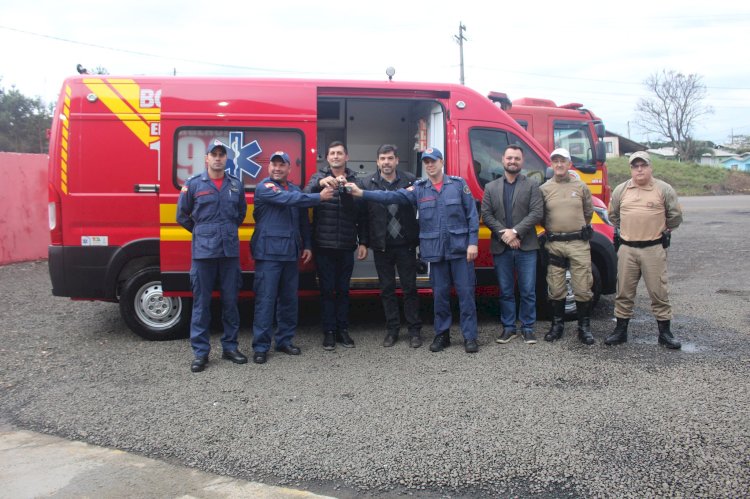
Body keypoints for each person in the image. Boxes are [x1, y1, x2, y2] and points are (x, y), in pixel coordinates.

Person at [347, 147, 480, 354]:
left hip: (460, 250)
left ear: (441, 162)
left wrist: (473, 242)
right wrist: (362, 192)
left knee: (466, 295)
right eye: (426, 162)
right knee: (440, 296)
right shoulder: (419, 188)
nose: (430, 165)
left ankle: (470, 337)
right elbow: (390, 197)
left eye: (433, 161)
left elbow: (472, 215)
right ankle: (442, 335)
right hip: (436, 252)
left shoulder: (458, 185)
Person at [250, 151, 335, 364]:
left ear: (289, 169)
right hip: (268, 254)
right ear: (269, 168)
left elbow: (303, 222)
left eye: (282, 165)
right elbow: (289, 199)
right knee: (265, 302)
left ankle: (284, 341)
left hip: (290, 254)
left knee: (289, 301)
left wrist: (307, 245)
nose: (277, 168)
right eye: (274, 165)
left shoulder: (296, 189)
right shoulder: (265, 188)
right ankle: (261, 346)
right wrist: (319, 197)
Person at [177, 139, 248, 373]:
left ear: (226, 159)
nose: (218, 158)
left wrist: (223, 231)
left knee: (230, 302)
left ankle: (230, 347)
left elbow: (240, 214)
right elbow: (182, 215)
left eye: (222, 154)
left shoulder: (235, 185)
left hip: (229, 253)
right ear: (206, 158)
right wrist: (201, 232)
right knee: (201, 304)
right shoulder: (194, 184)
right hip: (203, 254)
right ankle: (200, 353)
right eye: (214, 154)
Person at [605, 151, 683, 349]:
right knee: (623, 291)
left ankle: (665, 334)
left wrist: (661, 229)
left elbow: (674, 216)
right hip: (627, 249)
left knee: (659, 292)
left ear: (650, 167)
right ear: (631, 168)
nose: (639, 169)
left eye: (643, 165)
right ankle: (620, 331)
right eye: (635, 166)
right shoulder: (621, 190)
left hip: (653, 248)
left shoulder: (663, 189)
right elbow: (613, 216)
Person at [303, 141, 368, 351]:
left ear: (346, 157)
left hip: (347, 245)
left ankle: (343, 330)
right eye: (332, 153)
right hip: (323, 245)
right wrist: (322, 182)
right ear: (327, 158)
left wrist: (363, 242)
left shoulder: (355, 180)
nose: (336, 156)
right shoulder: (319, 176)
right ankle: (329, 332)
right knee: (326, 291)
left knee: (343, 291)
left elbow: (361, 213)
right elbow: (305, 195)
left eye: (340, 153)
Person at [480, 144, 543, 345]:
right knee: (505, 290)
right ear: (503, 160)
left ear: (521, 162)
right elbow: (487, 215)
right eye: (509, 158)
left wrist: (514, 232)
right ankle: (508, 328)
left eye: (516, 158)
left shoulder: (532, 185)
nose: (512, 161)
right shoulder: (491, 187)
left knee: (527, 290)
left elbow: (536, 213)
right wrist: (504, 235)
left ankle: (528, 328)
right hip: (501, 247)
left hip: (526, 246)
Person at [361, 144, 422, 348]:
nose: (386, 162)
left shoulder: (411, 180)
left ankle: (414, 331)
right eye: (382, 158)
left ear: (397, 160)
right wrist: (363, 242)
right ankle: (392, 330)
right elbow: (363, 217)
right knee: (386, 289)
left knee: (410, 289)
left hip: (406, 245)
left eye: (390, 158)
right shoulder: (367, 183)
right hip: (382, 246)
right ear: (377, 162)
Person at [539, 148, 595, 345]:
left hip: (578, 243)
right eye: (555, 161)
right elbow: (541, 215)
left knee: (582, 287)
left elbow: (588, 212)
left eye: (563, 161)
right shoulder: (545, 189)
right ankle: (557, 326)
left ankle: (584, 327)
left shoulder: (581, 187)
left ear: (569, 164)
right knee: (556, 288)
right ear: (551, 165)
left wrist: (574, 227)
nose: (559, 165)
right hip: (555, 244)